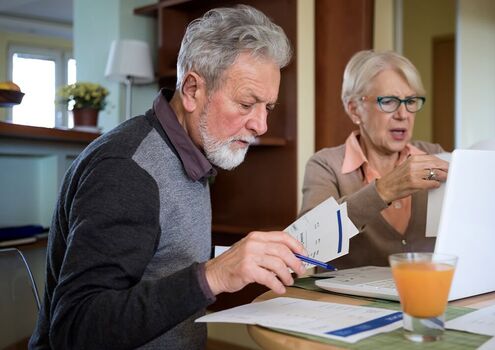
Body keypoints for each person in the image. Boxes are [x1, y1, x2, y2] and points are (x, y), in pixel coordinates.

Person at [29, 5, 307, 350]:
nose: (261, 125)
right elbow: (77, 328)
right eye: (247, 103)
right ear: (192, 90)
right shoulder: (127, 171)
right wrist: (214, 274)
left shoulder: (192, 153)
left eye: (268, 107)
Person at [300, 50, 449, 269]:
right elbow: (308, 245)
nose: (403, 114)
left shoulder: (435, 156)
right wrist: (384, 190)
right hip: (349, 302)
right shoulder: (325, 165)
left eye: (410, 101)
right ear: (355, 110)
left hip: (424, 296)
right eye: (388, 101)